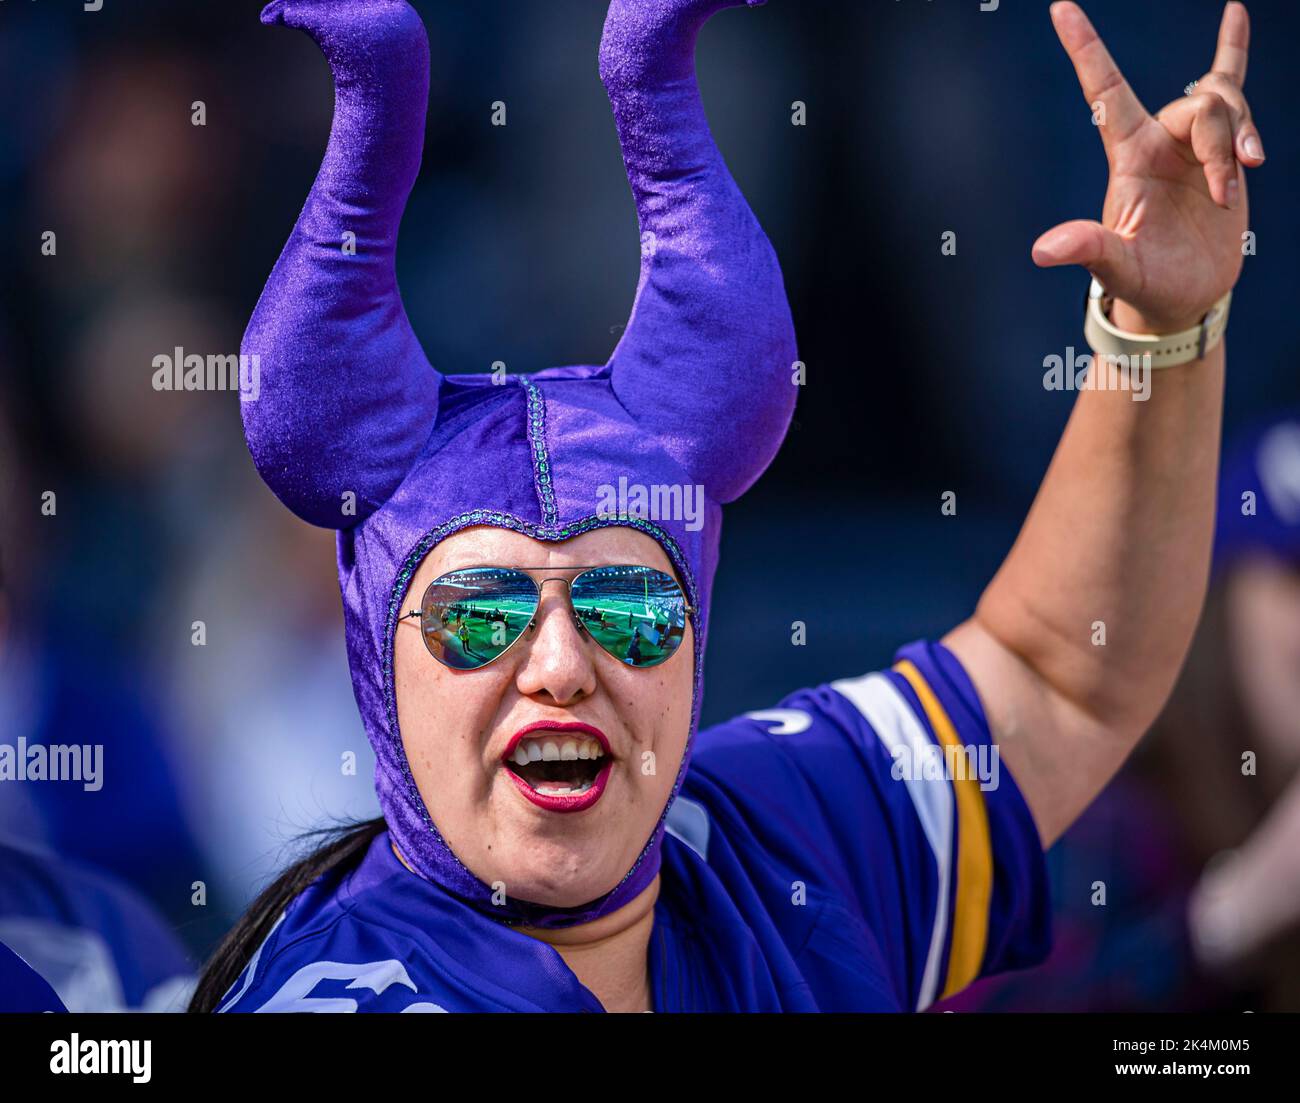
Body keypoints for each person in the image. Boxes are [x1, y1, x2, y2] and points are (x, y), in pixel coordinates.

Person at [191, 0, 1262, 1013]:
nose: (562, 664)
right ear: (380, 663)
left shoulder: (774, 836)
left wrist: (1161, 330)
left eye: (629, 612)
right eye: (479, 614)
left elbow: (1058, 675)